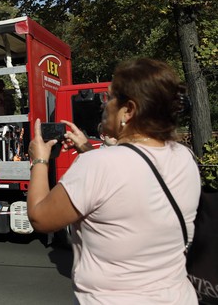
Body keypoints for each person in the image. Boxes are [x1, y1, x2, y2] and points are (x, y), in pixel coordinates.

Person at [27, 58, 200, 304]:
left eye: (109, 99)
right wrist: (87, 148)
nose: (104, 106)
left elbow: (39, 217)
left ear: (128, 111)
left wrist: (39, 161)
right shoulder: (184, 156)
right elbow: (131, 178)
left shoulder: (98, 166)